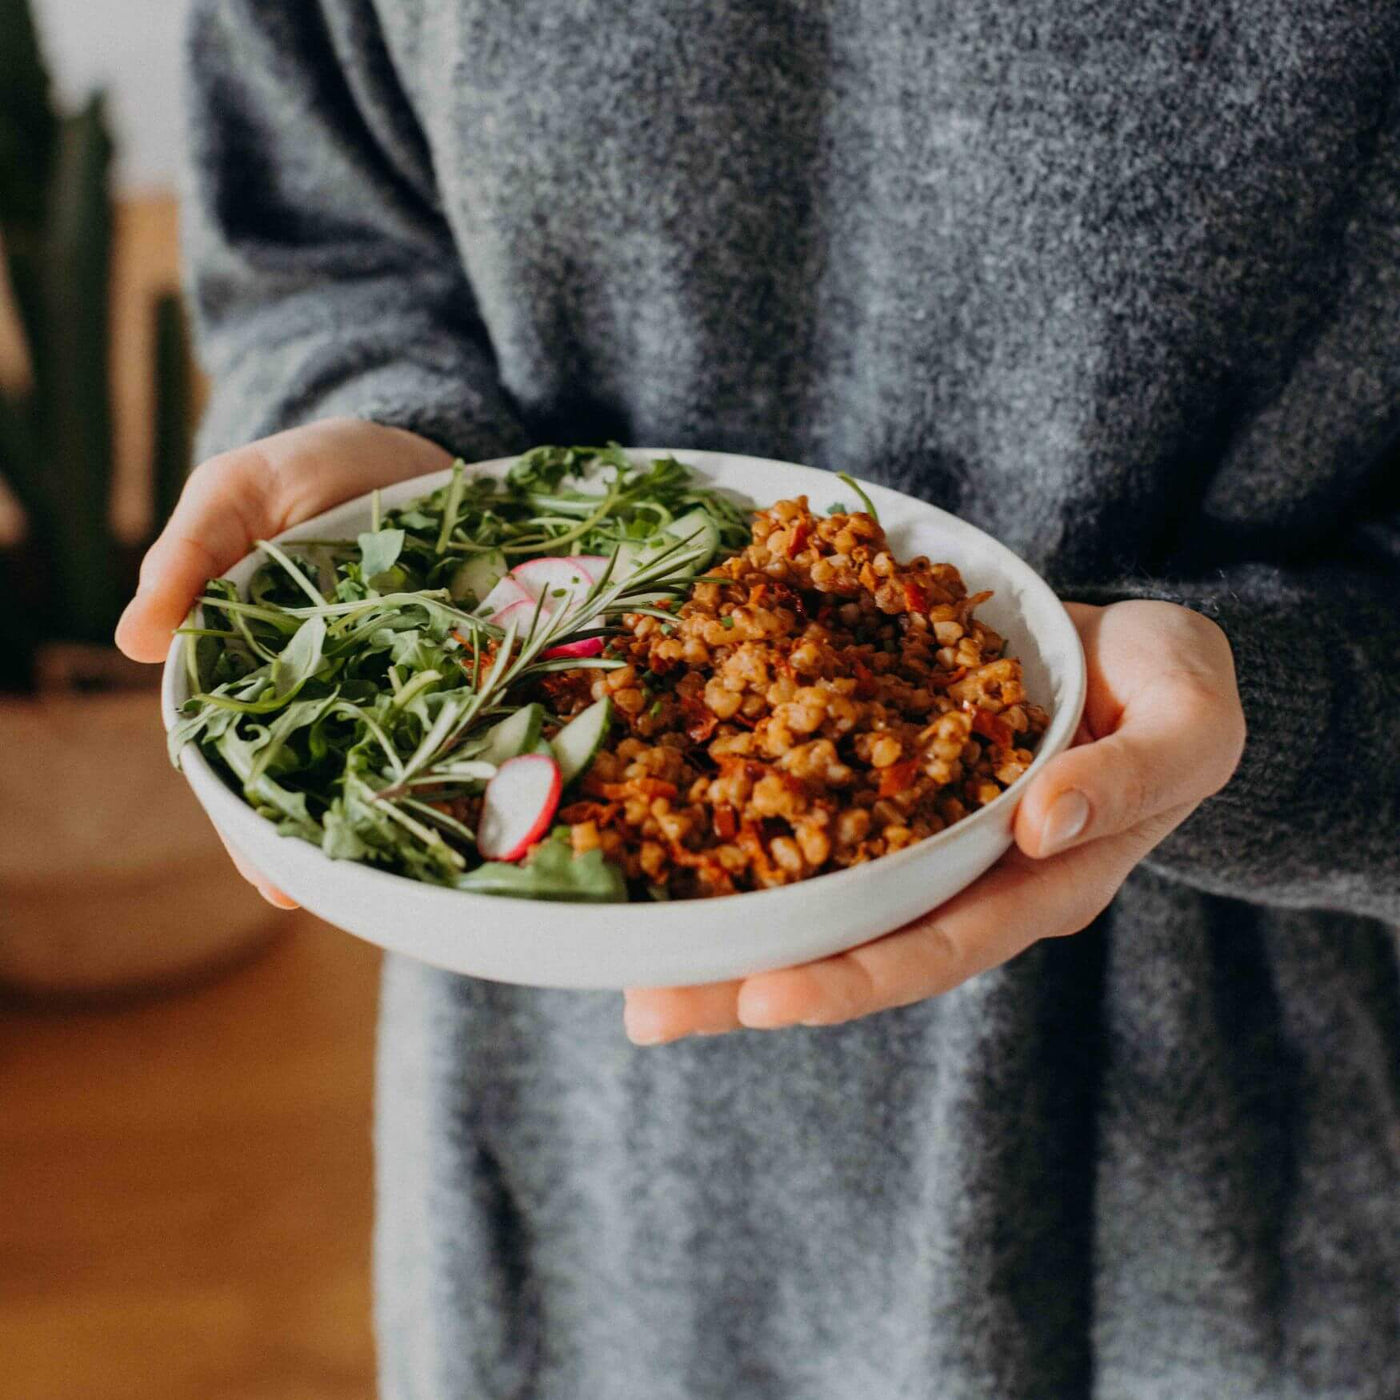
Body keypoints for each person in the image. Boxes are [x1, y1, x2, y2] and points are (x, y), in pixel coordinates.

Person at [116, 2, 1400, 1395]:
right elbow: (316, 234)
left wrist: (1277, 706)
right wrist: (413, 488)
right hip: (560, 1123)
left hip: (1219, 1182)